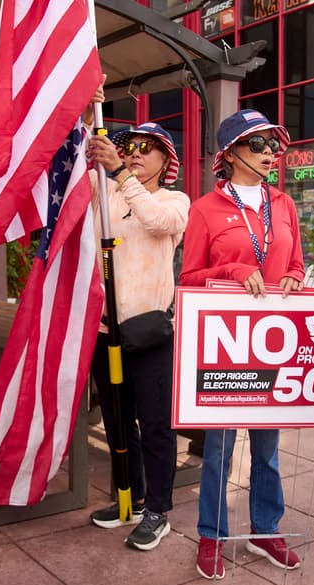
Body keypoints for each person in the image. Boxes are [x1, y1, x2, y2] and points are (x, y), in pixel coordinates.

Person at [179, 109, 305, 579]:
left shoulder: (285, 204)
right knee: (220, 448)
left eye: (274, 144)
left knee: (268, 449)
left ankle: (266, 530)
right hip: (227, 346)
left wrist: (294, 274)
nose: (271, 153)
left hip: (272, 342)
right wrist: (230, 271)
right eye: (259, 145)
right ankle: (211, 535)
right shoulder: (203, 209)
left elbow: (295, 262)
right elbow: (189, 279)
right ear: (229, 154)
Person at [83, 85, 190, 551]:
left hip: (149, 333)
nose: (135, 154)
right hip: (105, 333)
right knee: (117, 425)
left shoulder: (176, 201)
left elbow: (155, 222)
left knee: (155, 425)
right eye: (129, 147)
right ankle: (128, 499)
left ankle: (158, 510)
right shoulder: (103, 196)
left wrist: (120, 171)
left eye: (148, 148)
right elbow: (77, 160)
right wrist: (90, 107)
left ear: (166, 161)